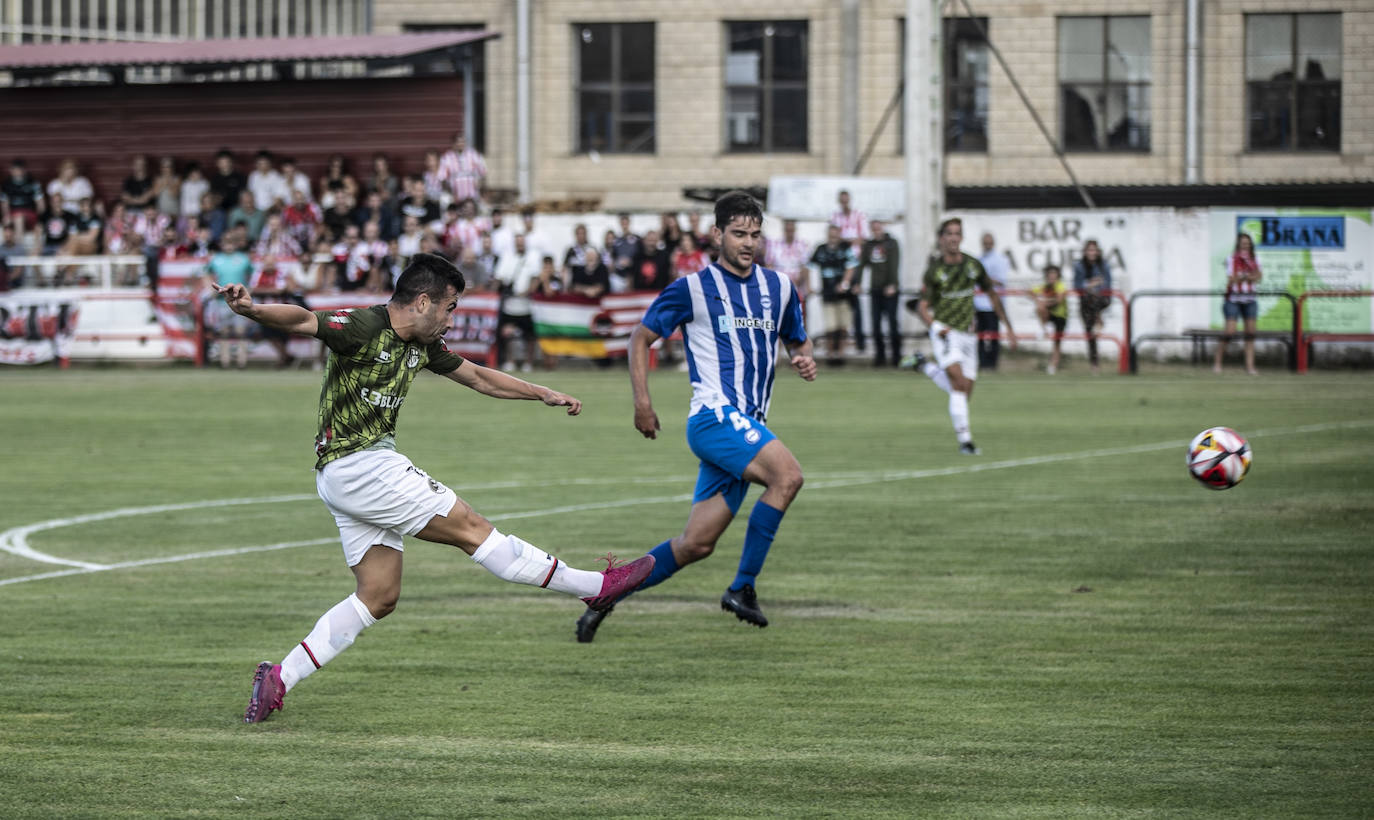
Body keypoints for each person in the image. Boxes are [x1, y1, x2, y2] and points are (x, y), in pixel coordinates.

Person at [214, 252, 655, 723]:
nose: (451, 319)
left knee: (379, 595)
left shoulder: (421, 345)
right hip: (361, 465)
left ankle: (280, 676)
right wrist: (252, 309)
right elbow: (304, 320)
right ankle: (594, 588)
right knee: (471, 527)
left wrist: (540, 392)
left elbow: (480, 377)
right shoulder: (363, 326)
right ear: (422, 302)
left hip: (343, 477)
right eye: (449, 308)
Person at [574, 190, 815, 643]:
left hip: (746, 429)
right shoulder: (693, 288)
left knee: (695, 545)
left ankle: (604, 596)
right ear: (717, 234)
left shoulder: (779, 288)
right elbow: (639, 339)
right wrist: (642, 403)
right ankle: (742, 588)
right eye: (739, 233)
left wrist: (805, 359)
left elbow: (799, 340)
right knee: (788, 477)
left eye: (755, 235)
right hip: (714, 417)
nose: (748, 242)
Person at [902, 217, 1016, 455]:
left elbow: (992, 295)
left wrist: (1008, 328)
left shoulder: (973, 265)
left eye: (957, 233)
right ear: (942, 239)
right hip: (945, 332)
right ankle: (966, 442)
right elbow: (923, 307)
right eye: (949, 234)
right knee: (959, 383)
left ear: (961, 237)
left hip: (968, 336)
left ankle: (924, 366)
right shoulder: (935, 271)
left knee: (964, 391)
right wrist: (935, 327)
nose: (953, 238)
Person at [809, 223, 859, 365]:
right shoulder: (821, 249)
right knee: (830, 327)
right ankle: (830, 354)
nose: (833, 237)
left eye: (836, 234)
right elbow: (808, 266)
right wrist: (809, 286)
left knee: (843, 326)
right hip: (828, 294)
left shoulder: (846, 248)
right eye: (831, 234)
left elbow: (852, 266)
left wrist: (844, 284)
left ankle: (841, 354)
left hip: (844, 296)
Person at [1214, 232, 1262, 376]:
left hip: (1250, 300)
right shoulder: (1231, 259)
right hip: (1233, 300)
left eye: (1247, 243)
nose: (1245, 245)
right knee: (1229, 332)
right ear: (1238, 244)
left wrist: (1246, 276)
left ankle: (1250, 366)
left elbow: (1258, 277)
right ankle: (1217, 361)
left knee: (1250, 334)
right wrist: (1244, 277)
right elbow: (1231, 280)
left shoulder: (1255, 259)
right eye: (1243, 242)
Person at [494, 232, 542, 372]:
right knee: (507, 333)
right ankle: (510, 360)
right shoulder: (507, 257)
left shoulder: (532, 257)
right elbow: (499, 277)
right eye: (518, 242)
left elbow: (535, 278)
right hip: (510, 304)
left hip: (526, 304)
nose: (520, 244)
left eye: (522, 242)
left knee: (530, 336)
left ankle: (528, 362)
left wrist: (526, 292)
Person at [830, 189, 868, 355]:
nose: (844, 203)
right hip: (840, 263)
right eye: (842, 200)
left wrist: (845, 240)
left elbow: (863, 238)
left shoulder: (859, 215)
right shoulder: (835, 217)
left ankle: (859, 341)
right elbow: (833, 236)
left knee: (855, 302)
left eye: (846, 200)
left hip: (854, 263)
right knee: (837, 304)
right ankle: (839, 344)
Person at [862, 220, 902, 367]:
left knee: (892, 325)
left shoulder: (891, 243)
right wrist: (857, 283)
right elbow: (862, 264)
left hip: (890, 289)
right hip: (876, 290)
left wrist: (893, 284)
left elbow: (894, 264)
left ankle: (896, 357)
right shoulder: (869, 245)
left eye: (878, 229)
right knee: (876, 325)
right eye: (874, 229)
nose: (877, 231)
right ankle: (880, 357)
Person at [1072, 238, 1112, 375]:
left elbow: (1106, 286)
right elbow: (1077, 286)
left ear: (1098, 251)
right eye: (1089, 249)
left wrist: (1091, 287)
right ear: (1085, 251)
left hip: (1102, 301)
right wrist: (1091, 284)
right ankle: (1094, 365)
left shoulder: (1104, 265)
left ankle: (1098, 317)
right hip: (1086, 304)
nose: (1092, 252)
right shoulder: (1079, 266)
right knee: (1090, 334)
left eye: (1094, 249)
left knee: (1093, 295)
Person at [974, 231, 1009, 370]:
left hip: (992, 304)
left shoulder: (999, 259)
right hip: (979, 304)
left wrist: (984, 279)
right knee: (980, 336)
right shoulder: (978, 259)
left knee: (993, 336)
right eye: (985, 242)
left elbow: (1001, 281)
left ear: (993, 243)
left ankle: (992, 363)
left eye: (989, 243)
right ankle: (982, 363)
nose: (987, 245)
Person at [1032, 264, 1068, 374]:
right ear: (1047, 276)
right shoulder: (1044, 286)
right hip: (1049, 314)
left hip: (1061, 316)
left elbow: (1058, 300)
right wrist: (1037, 299)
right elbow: (1029, 291)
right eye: (1050, 275)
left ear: (1058, 276)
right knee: (1039, 308)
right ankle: (1044, 329)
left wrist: (1045, 301)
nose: (1052, 277)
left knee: (1057, 342)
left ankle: (1053, 365)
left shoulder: (1061, 286)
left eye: (1054, 274)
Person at [438, 132, 487, 206]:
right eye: (458, 142)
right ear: (453, 143)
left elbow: (483, 173)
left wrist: (480, 188)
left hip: (473, 198)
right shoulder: (446, 158)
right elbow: (442, 179)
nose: (460, 144)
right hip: (456, 199)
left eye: (462, 142)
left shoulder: (474, 155)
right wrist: (451, 194)